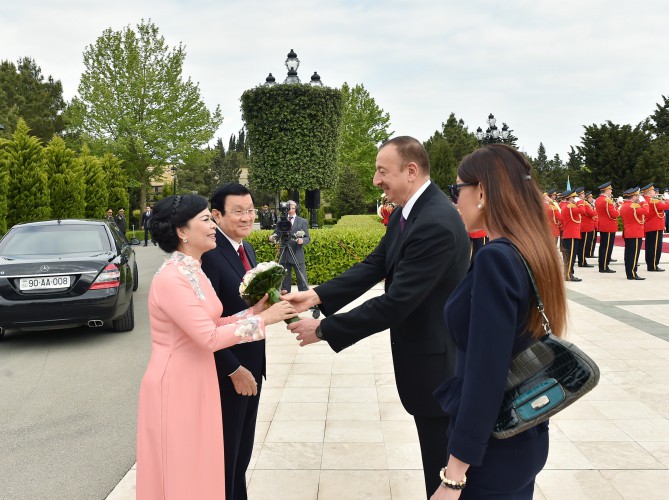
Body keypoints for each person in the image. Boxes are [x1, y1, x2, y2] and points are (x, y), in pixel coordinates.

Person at [284, 136, 471, 497]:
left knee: (446, 473)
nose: (375, 180)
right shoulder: (408, 211)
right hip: (426, 363)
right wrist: (317, 294)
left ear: (411, 171)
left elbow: (396, 303)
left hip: (441, 368)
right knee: (436, 464)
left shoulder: (435, 221)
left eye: (382, 171)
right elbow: (375, 265)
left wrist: (324, 329)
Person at [136, 194, 296, 500]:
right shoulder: (171, 278)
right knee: (182, 467)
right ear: (182, 232)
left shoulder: (193, 270)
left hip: (200, 379)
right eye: (206, 220)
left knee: (204, 464)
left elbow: (216, 322)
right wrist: (264, 322)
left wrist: (255, 312)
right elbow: (207, 337)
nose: (213, 226)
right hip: (177, 384)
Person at [430, 144, 567, 499]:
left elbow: (485, 374)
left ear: (482, 192)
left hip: (493, 448)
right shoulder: (530, 248)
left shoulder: (496, 258)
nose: (454, 200)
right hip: (524, 433)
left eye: (456, 190)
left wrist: (454, 475)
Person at [200, 183, 265, 500]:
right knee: (226, 455)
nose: (247, 217)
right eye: (238, 211)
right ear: (216, 215)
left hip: (254, 367)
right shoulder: (210, 257)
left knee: (242, 454)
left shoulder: (245, 249)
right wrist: (233, 368)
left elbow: (247, 307)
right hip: (230, 373)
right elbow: (203, 326)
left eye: (250, 210)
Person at [271, 200, 311, 292]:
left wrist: (302, 240)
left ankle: (304, 298)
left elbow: (307, 238)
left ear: (295, 208)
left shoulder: (303, 221)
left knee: (302, 279)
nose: (289, 208)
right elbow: (276, 234)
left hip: (297, 253)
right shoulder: (281, 220)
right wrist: (272, 237)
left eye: (291, 206)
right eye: (288, 206)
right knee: (284, 280)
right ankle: (286, 298)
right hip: (284, 253)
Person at [619, 187, 648, 280]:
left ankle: (629, 273)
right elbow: (646, 211)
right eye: (637, 196)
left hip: (628, 232)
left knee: (628, 254)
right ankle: (632, 273)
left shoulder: (624, 205)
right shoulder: (634, 206)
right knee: (634, 254)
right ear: (634, 196)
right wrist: (643, 202)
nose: (638, 198)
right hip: (635, 233)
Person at [640, 183, 667, 272]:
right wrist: (667, 199)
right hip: (655, 226)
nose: (654, 192)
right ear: (648, 192)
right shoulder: (652, 201)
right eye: (653, 190)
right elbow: (666, 206)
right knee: (655, 247)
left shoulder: (644, 200)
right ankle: (653, 265)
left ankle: (650, 264)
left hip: (650, 226)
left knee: (650, 246)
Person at [595, 181, 619, 273]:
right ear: (606, 190)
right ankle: (604, 266)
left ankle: (602, 265)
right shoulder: (607, 200)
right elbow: (613, 214)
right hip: (609, 226)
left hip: (603, 225)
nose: (611, 191)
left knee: (603, 246)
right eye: (610, 189)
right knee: (607, 247)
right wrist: (618, 209)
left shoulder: (598, 199)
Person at [560, 190, 584, 281]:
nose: (574, 199)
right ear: (570, 198)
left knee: (569, 256)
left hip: (570, 233)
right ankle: (569, 275)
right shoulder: (569, 206)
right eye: (573, 198)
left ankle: (568, 273)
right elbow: (582, 210)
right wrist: (580, 201)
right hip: (571, 234)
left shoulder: (567, 206)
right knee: (571, 256)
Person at [574, 187, 596, 268]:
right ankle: (582, 261)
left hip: (584, 226)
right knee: (583, 245)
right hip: (586, 226)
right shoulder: (582, 203)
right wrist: (595, 211)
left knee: (582, 245)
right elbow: (590, 213)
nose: (584, 195)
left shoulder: (579, 202)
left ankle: (582, 260)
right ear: (580, 195)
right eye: (583, 194)